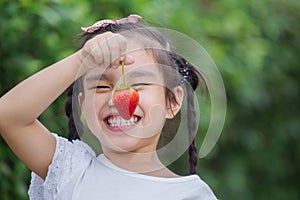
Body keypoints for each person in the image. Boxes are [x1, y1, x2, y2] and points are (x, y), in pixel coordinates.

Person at [0, 14, 217, 199]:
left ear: (173, 101)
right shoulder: (71, 171)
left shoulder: (190, 194)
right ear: (83, 106)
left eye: (139, 84)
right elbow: (8, 115)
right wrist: (81, 60)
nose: (118, 97)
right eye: (102, 86)